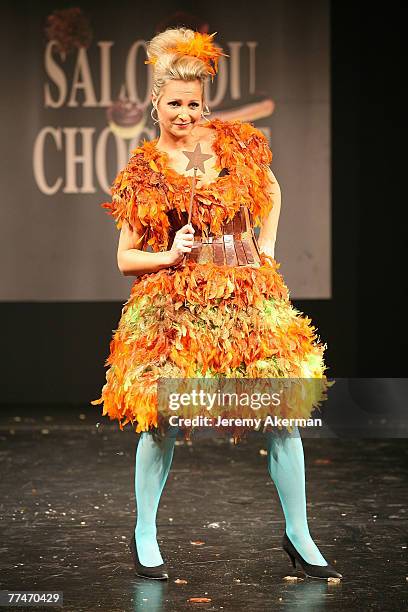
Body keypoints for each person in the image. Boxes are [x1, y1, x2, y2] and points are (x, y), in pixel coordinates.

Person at [92, 28, 342, 581]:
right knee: (161, 419)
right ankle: (145, 533)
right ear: (154, 103)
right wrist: (167, 253)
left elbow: (271, 193)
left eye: (193, 103)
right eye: (174, 102)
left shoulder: (234, 142)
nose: (184, 113)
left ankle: (299, 535)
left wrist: (267, 248)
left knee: (282, 411)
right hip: (174, 303)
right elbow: (124, 258)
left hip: (244, 293)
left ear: (203, 104)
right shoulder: (142, 170)